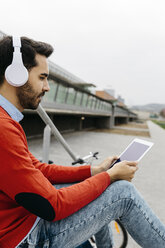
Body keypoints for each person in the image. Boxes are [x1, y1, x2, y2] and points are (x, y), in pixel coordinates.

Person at [0, 36, 165, 248]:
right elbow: (52, 206)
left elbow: (40, 170)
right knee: (124, 193)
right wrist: (110, 176)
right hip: (22, 239)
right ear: (15, 75)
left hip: (22, 224)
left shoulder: (7, 121)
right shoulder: (4, 128)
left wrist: (95, 171)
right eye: (42, 77)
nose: (47, 87)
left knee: (91, 187)